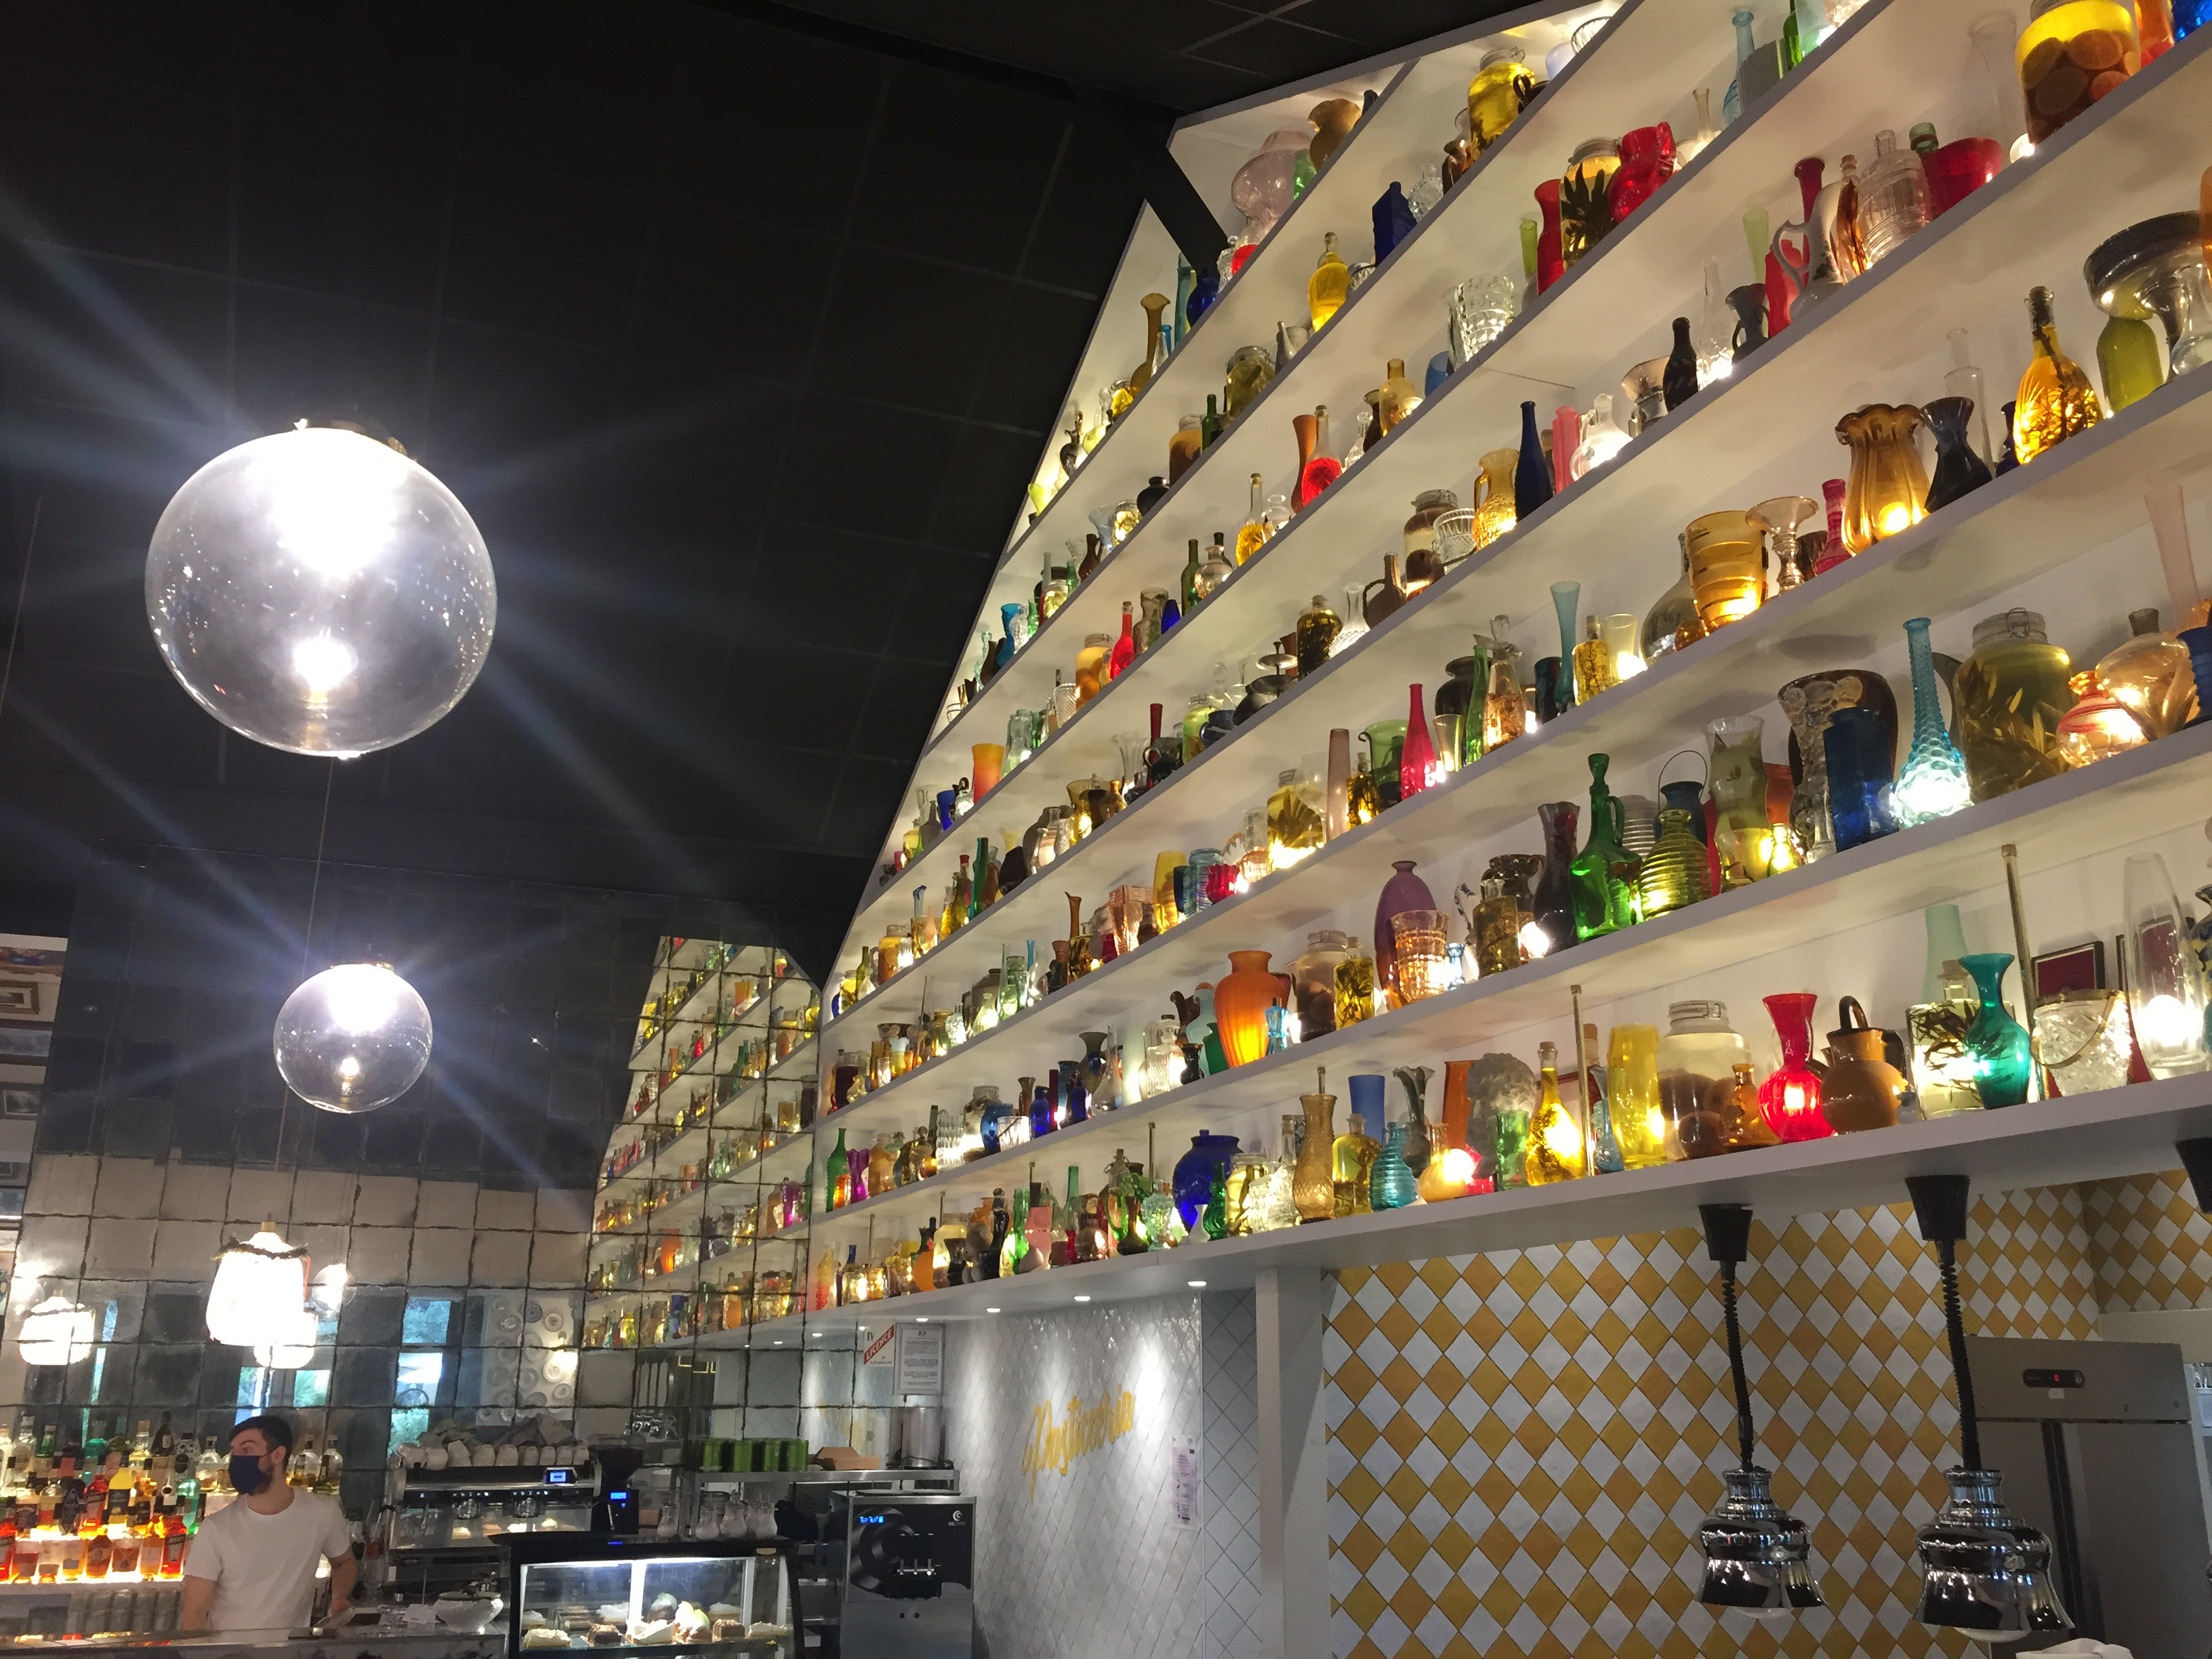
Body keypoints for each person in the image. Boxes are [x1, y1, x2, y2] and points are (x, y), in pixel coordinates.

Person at [180, 1414, 356, 1633]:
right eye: (234, 1452)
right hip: (228, 1649)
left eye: (247, 1450)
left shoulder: (322, 1512)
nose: (237, 1459)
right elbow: (194, 1613)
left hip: (290, 1648)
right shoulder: (216, 1528)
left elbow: (344, 1562)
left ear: (278, 1455)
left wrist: (339, 1597)